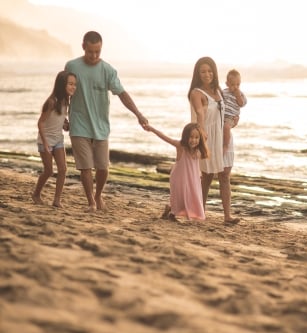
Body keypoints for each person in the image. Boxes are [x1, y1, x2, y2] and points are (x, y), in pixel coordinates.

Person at [65, 31, 148, 212]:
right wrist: (63, 116)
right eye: (90, 52)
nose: (94, 56)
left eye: (98, 52)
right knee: (85, 167)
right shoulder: (72, 66)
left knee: (103, 168)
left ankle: (98, 194)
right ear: (83, 47)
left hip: (101, 126)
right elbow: (64, 92)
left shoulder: (108, 70)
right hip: (78, 124)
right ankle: (91, 202)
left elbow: (122, 94)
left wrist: (138, 114)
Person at [188, 56, 240, 224]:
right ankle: (199, 212)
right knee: (208, 177)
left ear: (214, 72)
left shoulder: (218, 90)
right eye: (203, 71)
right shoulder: (196, 93)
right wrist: (201, 130)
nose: (207, 74)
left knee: (225, 176)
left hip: (224, 137)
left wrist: (234, 119)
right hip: (208, 137)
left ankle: (227, 216)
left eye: (210, 71)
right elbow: (200, 113)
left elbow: (229, 108)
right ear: (197, 73)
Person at [145, 122, 209, 221]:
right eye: (191, 137)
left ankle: (169, 209)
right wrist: (152, 129)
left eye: (196, 138)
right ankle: (172, 213)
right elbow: (165, 138)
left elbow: (205, 137)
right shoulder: (181, 147)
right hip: (179, 178)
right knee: (179, 197)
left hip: (192, 178)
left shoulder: (198, 151)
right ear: (185, 136)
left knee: (191, 196)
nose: (193, 140)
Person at [32, 70, 77, 207]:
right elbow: (40, 122)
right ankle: (36, 194)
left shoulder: (66, 100)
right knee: (49, 171)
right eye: (70, 84)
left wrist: (65, 123)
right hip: (45, 140)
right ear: (62, 85)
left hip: (58, 140)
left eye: (75, 84)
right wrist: (45, 143)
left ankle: (57, 200)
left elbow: (59, 117)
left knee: (63, 169)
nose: (73, 87)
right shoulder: (51, 102)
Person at [222, 69, 247, 153]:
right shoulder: (223, 92)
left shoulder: (240, 94)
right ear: (227, 84)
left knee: (226, 127)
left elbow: (242, 104)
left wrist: (238, 96)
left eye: (238, 84)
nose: (236, 87)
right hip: (222, 116)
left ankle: (226, 145)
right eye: (233, 84)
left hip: (231, 117)